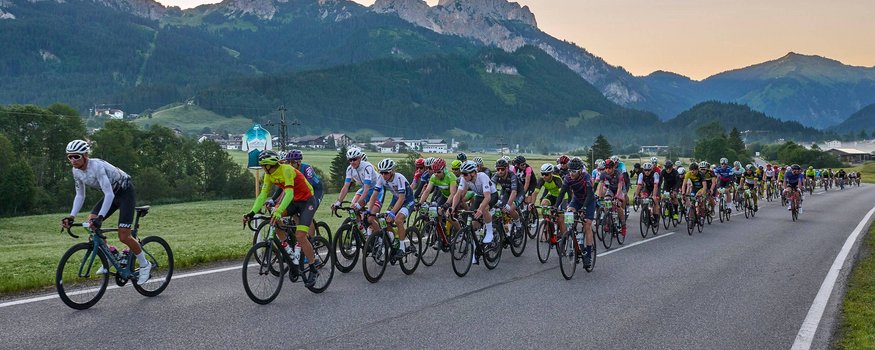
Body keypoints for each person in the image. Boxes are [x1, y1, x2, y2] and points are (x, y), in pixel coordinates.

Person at [60, 140, 152, 284]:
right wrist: (72, 216)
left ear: (85, 155)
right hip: (112, 195)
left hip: (125, 192)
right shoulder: (76, 171)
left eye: (76, 156)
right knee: (91, 225)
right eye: (69, 157)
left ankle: (145, 265)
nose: (73, 160)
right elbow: (80, 195)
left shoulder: (96, 167)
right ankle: (112, 254)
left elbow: (109, 194)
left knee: (124, 235)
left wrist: (101, 217)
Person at [244, 150, 320, 286]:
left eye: (264, 166)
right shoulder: (269, 175)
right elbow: (262, 195)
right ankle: (289, 251)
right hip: (294, 201)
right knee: (274, 219)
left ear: (270, 165)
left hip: (307, 201)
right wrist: (251, 213)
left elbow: (289, 193)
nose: (263, 169)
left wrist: (279, 210)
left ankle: (313, 268)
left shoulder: (287, 170)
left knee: (301, 236)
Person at [368, 159, 416, 259]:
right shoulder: (381, 178)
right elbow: (374, 195)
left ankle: (402, 248)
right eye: (381, 172)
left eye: (386, 173)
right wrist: (369, 211)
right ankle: (394, 240)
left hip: (407, 200)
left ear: (392, 171)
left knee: (398, 219)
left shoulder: (399, 178)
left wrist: (393, 213)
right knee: (385, 221)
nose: (383, 175)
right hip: (396, 199)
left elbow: (402, 198)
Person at [450, 161, 498, 258]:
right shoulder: (465, 179)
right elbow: (458, 194)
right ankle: (477, 244)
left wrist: (480, 209)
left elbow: (487, 197)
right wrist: (452, 207)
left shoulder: (482, 176)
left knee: (484, 209)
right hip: (479, 196)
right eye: (462, 174)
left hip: (492, 195)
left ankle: (489, 232)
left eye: (465, 174)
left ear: (473, 173)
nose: (463, 176)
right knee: (473, 222)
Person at [553, 158, 595, 268]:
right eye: (570, 171)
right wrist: (555, 207)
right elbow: (561, 193)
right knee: (568, 216)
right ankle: (573, 238)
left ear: (580, 171)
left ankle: (588, 254)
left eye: (574, 171)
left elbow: (590, 194)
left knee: (587, 225)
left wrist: (584, 208)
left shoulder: (586, 177)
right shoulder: (567, 178)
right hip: (576, 200)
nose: (571, 173)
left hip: (588, 201)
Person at [332, 147, 381, 213]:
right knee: (352, 209)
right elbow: (346, 187)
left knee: (371, 215)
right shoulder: (349, 169)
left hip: (377, 189)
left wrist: (358, 203)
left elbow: (367, 189)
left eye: (354, 159)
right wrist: (338, 202)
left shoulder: (367, 167)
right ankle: (358, 223)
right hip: (365, 188)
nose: (352, 162)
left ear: (360, 158)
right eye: (350, 160)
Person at [598, 159, 627, 237]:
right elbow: (600, 186)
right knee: (607, 202)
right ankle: (608, 222)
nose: (608, 170)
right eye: (606, 168)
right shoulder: (603, 174)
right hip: (611, 189)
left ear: (613, 167)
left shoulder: (618, 174)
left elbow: (620, 187)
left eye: (609, 168)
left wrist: (617, 197)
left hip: (620, 189)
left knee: (618, 205)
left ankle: (623, 225)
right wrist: (599, 196)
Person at [492, 158, 523, 230]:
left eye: (502, 169)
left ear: (507, 168)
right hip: (506, 192)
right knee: (500, 208)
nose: (500, 171)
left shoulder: (512, 176)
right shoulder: (496, 175)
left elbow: (514, 192)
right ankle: (508, 229)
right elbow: (491, 188)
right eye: (498, 169)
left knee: (510, 209)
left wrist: (508, 205)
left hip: (518, 193)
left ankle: (519, 226)